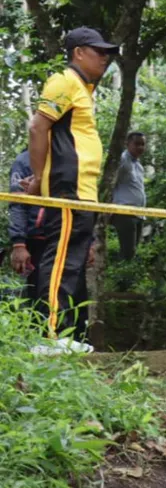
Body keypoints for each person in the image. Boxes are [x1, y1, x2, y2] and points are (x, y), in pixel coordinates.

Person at [24, 26, 119, 351]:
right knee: (60, 259)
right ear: (78, 52)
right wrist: (38, 178)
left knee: (73, 263)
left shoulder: (83, 88)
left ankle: (64, 336)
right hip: (67, 189)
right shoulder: (64, 80)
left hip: (83, 193)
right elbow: (38, 125)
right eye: (99, 51)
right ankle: (50, 338)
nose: (105, 58)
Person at [9, 149, 45, 305]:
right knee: (39, 295)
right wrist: (19, 244)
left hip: (68, 236)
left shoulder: (69, 157)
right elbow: (17, 203)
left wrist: (90, 240)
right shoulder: (24, 161)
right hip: (38, 238)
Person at [112, 131, 147, 260]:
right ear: (127, 144)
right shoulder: (122, 160)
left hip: (139, 213)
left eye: (143, 144)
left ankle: (125, 276)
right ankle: (121, 277)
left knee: (132, 252)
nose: (140, 147)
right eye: (137, 144)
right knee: (128, 251)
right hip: (125, 212)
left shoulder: (138, 166)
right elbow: (111, 182)